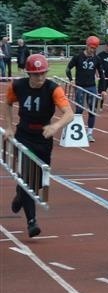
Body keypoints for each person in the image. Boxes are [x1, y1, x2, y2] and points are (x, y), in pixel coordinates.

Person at [3, 54, 74, 237]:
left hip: (44, 137)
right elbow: (8, 103)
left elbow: (69, 114)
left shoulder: (53, 89)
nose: (40, 78)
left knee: (38, 182)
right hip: (24, 136)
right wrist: (9, 128)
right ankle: (31, 222)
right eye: (36, 75)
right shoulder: (17, 86)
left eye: (43, 73)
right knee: (28, 176)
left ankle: (20, 193)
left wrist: (56, 126)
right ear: (28, 74)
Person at [66, 35, 104, 142]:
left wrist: (103, 89)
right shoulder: (78, 56)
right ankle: (77, 131)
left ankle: (90, 133)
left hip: (91, 87)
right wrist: (71, 80)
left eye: (95, 48)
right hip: (80, 86)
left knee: (92, 110)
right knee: (79, 109)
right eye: (91, 48)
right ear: (87, 46)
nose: (93, 50)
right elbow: (68, 69)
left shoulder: (97, 59)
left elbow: (101, 75)